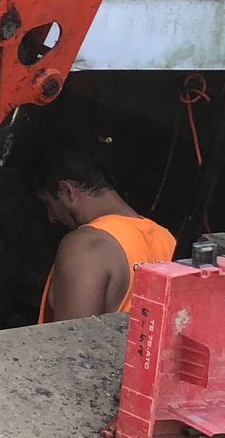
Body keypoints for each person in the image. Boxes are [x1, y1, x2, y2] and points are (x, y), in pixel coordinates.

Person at [26, 137, 177, 322]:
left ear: (67, 190)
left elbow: (74, 345)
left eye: (48, 203)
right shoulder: (167, 239)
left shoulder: (86, 245)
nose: (51, 217)